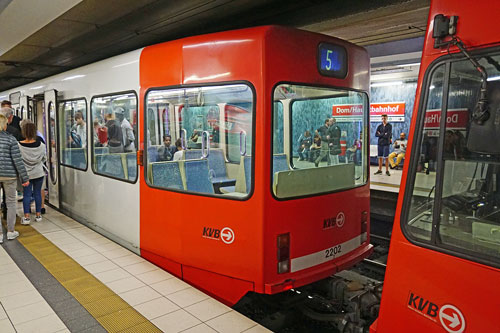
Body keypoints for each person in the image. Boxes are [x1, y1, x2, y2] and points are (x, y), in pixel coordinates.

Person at [0, 114, 29, 241]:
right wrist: (25, 178)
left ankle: (0, 235)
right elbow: (18, 161)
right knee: (11, 203)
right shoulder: (11, 139)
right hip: (9, 176)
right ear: (4, 125)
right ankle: (11, 231)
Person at [18, 122, 46, 224]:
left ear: (23, 132)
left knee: (27, 195)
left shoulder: (19, 146)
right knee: (38, 193)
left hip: (26, 174)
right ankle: (38, 215)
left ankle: (26, 217)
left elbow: (18, 160)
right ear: (35, 132)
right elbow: (44, 159)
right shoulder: (41, 145)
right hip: (38, 173)